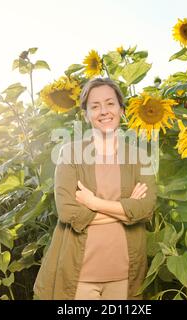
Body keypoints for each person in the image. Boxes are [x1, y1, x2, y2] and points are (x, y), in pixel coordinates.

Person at [33, 77, 158, 300]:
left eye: (110, 103)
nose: (104, 111)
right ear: (86, 114)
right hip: (80, 275)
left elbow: (146, 209)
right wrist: (127, 210)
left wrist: (93, 203)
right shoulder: (70, 154)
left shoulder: (140, 157)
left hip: (125, 274)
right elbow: (68, 212)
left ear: (121, 109)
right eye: (95, 106)